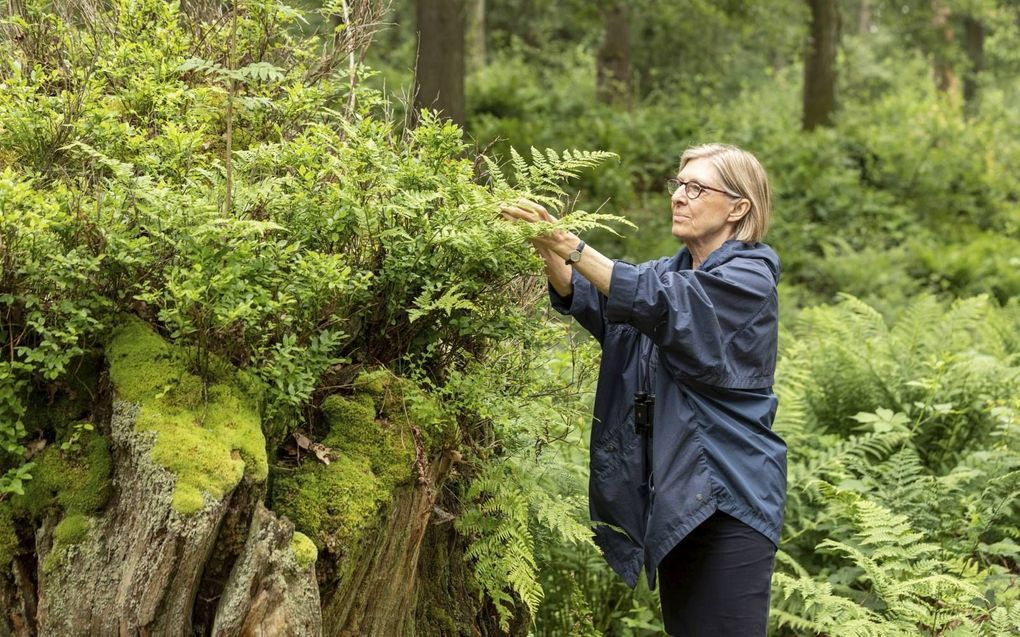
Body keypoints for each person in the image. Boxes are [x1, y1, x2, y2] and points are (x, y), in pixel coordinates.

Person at [501, 143, 787, 636]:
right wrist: (544, 246)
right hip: (677, 497)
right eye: (678, 184)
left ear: (739, 207)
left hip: (729, 497)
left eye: (697, 188)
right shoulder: (670, 272)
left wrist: (571, 244)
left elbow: (658, 302)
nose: (679, 196)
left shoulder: (748, 279)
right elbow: (599, 300)